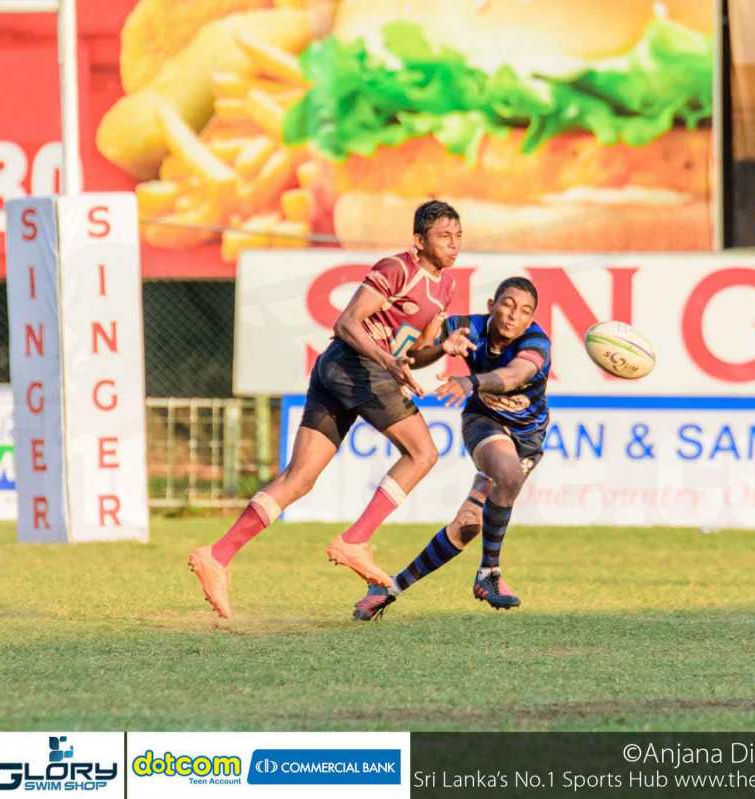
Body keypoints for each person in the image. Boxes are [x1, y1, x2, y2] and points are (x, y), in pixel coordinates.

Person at [189, 200, 476, 618]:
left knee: (299, 479)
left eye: (458, 236)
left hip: (345, 370)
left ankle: (216, 555)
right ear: (419, 240)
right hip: (356, 365)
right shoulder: (398, 268)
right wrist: (387, 361)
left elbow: (415, 353)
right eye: (444, 236)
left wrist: (443, 348)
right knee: (423, 453)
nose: (453, 243)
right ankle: (355, 540)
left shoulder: (445, 286)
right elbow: (347, 322)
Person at [350, 276, 551, 620]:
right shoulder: (467, 327)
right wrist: (441, 346)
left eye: (524, 311)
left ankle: (389, 589)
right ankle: (489, 573)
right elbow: (415, 354)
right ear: (492, 306)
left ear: (531, 318)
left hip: (527, 439)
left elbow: (514, 376)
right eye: (507, 305)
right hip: (484, 422)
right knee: (508, 474)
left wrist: (470, 381)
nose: (513, 315)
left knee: (468, 525)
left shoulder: (536, 342)